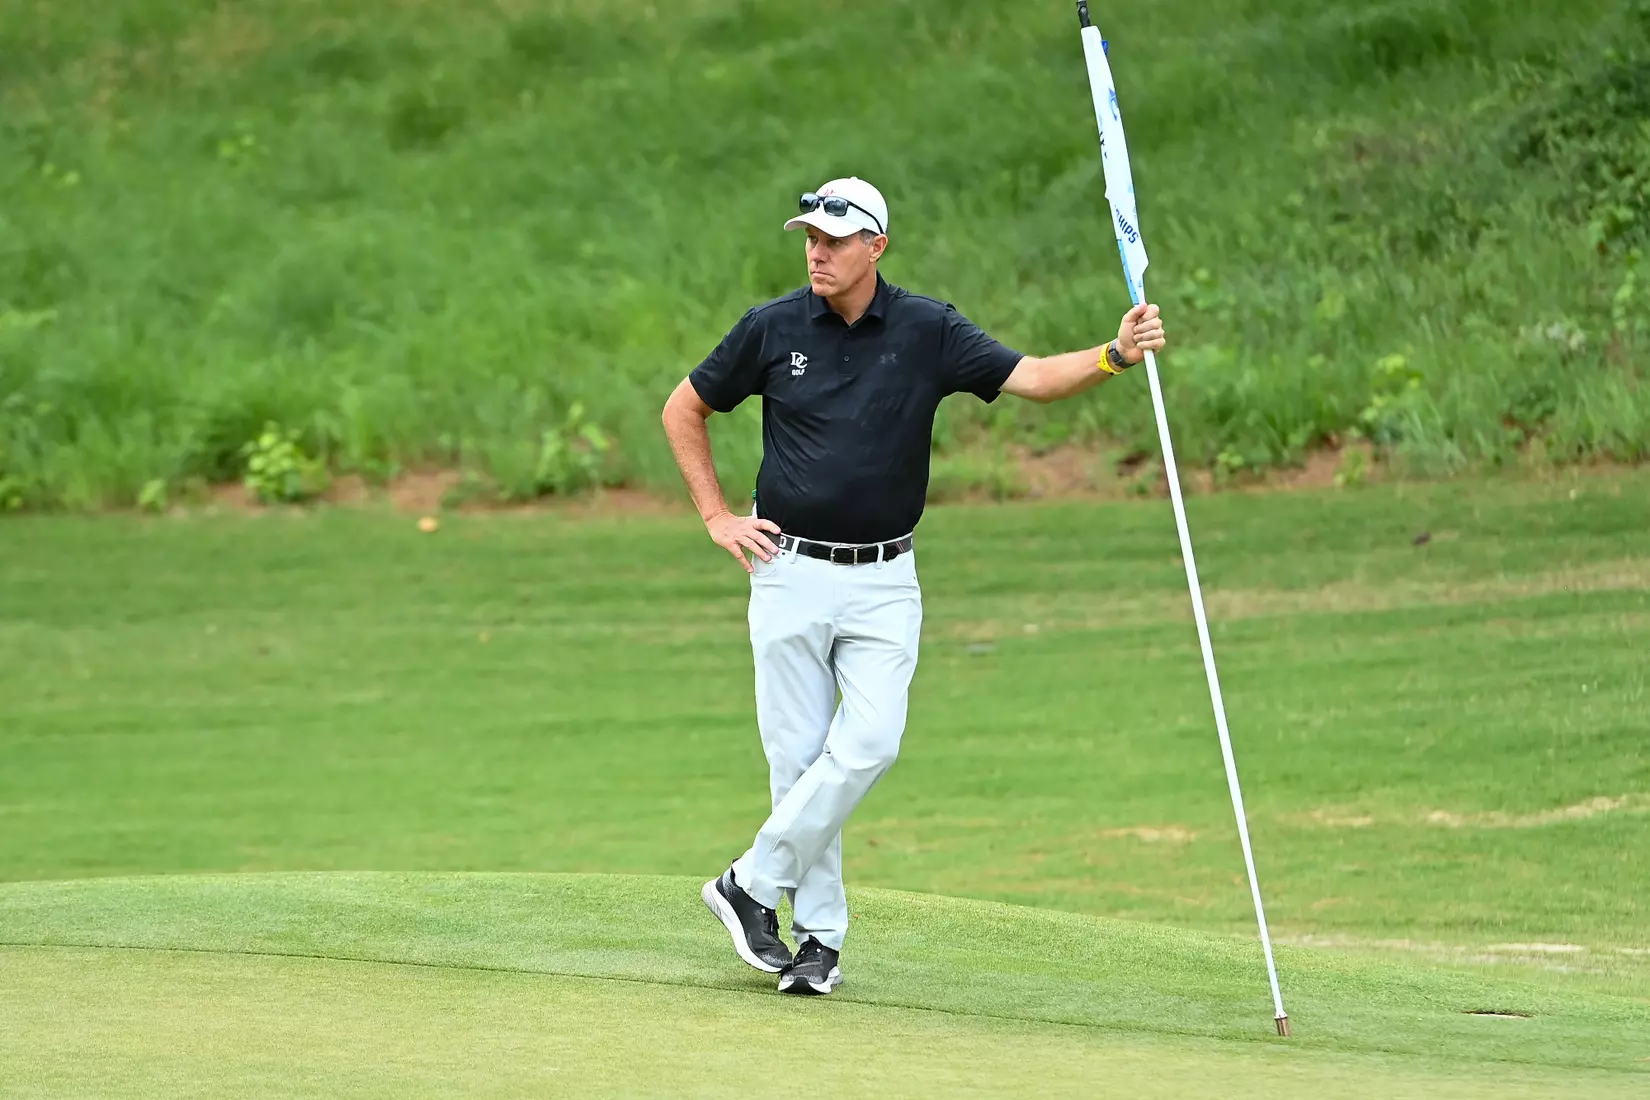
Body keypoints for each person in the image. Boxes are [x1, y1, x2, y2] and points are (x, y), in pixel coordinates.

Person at [660, 176, 1167, 996]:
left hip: (885, 579)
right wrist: (717, 516)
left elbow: (1033, 377)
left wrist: (1115, 355)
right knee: (797, 765)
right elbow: (684, 409)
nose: (815, 252)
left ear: (876, 246)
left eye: (833, 239)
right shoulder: (773, 327)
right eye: (809, 239)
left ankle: (747, 883)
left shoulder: (928, 329)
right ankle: (817, 944)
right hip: (786, 569)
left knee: (868, 745)